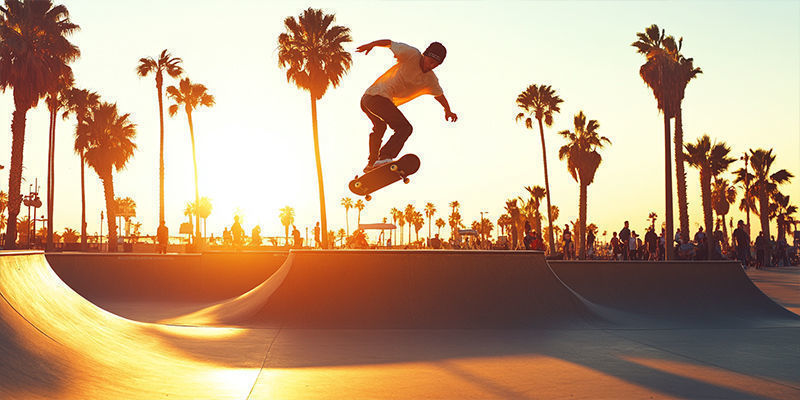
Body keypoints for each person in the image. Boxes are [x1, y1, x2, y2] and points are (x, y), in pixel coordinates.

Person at [356, 39, 458, 172]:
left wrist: (448, 110)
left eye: (436, 65)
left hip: (369, 100)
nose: (431, 66)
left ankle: (372, 163)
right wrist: (372, 44)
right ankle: (385, 157)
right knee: (405, 128)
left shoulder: (430, 79)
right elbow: (389, 43)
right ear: (425, 55)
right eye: (431, 61)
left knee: (380, 127)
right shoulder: (411, 54)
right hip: (375, 97)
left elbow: (439, 95)